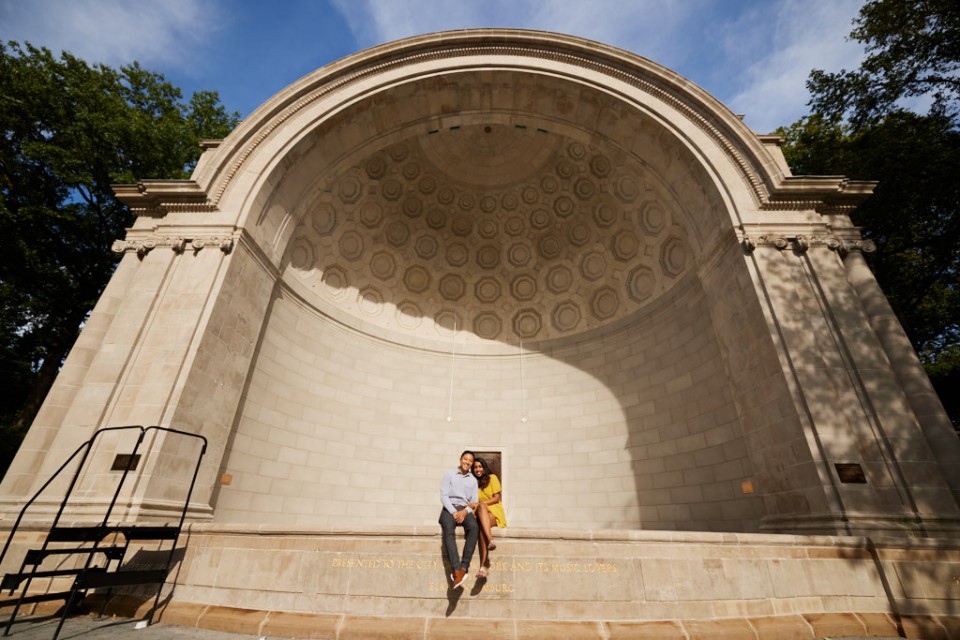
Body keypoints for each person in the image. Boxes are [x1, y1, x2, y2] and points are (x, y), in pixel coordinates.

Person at [439, 450, 479, 589]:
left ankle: (464, 568)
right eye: (465, 459)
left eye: (470, 461)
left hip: (464, 509)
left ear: (472, 463)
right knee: (448, 531)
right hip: (449, 507)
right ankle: (456, 570)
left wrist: (464, 512)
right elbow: (443, 496)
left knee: (474, 527)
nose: (467, 462)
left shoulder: (473, 480)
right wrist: (453, 512)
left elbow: (474, 501)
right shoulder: (450, 474)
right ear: (460, 459)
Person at [468, 456, 506, 578]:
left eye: (480, 467)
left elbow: (496, 498)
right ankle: (490, 542)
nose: (478, 469)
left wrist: (480, 504)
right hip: (480, 512)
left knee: (482, 523)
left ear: (484, 468)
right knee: (482, 522)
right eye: (475, 467)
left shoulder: (492, 478)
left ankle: (484, 565)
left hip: (494, 511)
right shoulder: (472, 483)